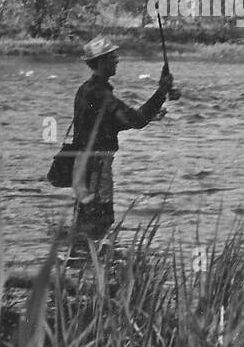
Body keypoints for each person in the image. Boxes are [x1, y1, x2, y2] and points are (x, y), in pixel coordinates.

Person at [69, 36, 174, 244]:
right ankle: (94, 266)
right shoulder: (101, 95)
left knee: (86, 219)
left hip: (83, 168)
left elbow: (112, 123)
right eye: (112, 57)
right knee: (100, 219)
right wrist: (161, 92)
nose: (117, 60)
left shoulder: (85, 90)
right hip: (97, 168)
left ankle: (80, 261)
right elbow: (134, 120)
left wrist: (151, 114)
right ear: (100, 62)